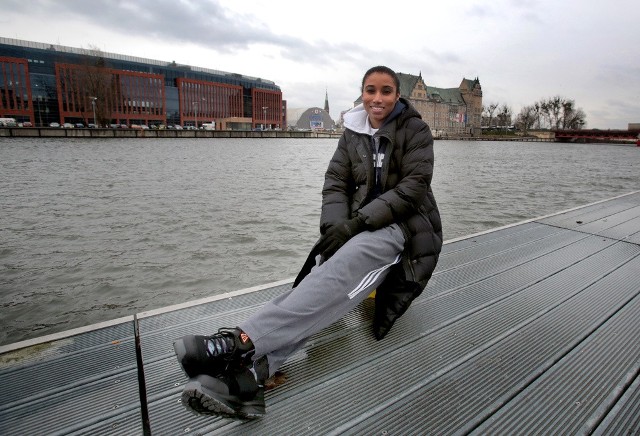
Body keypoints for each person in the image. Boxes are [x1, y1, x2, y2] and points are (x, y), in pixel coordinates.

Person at [173, 65, 443, 419]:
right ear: (362, 92)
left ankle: (238, 343)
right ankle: (253, 373)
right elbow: (336, 182)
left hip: (403, 230)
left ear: (397, 95)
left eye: (386, 91)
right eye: (370, 90)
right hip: (358, 226)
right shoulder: (352, 132)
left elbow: (414, 187)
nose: (378, 99)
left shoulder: (415, 130)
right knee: (321, 278)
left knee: (337, 276)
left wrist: (356, 226)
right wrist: (335, 229)